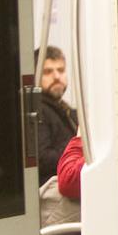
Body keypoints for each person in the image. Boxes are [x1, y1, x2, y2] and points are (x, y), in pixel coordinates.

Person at [35, 46, 78, 186]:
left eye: (61, 70)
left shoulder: (65, 110)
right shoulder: (37, 110)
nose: (57, 76)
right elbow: (42, 159)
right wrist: (77, 149)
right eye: (47, 72)